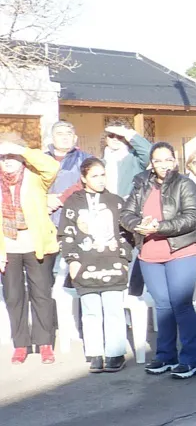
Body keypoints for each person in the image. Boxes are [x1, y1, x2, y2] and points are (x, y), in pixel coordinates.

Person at [121, 143, 196, 379]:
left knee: (181, 304)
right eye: (158, 161)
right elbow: (126, 214)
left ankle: (191, 360)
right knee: (163, 306)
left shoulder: (184, 184)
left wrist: (159, 227)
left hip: (181, 250)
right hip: (149, 254)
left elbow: (192, 217)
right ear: (151, 163)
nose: (163, 165)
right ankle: (166, 356)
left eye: (168, 159)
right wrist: (137, 225)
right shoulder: (141, 183)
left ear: (175, 161)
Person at [58, 157, 131, 372]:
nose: (100, 180)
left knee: (113, 310)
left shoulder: (116, 202)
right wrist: (72, 260)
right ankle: (95, 352)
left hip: (112, 263)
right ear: (83, 178)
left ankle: (115, 353)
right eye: (94, 176)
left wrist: (124, 259)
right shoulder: (73, 203)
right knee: (90, 311)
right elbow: (66, 234)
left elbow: (126, 233)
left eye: (103, 175)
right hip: (85, 264)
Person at [1, 133, 61, 364]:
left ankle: (44, 343)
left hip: (37, 245)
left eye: (12, 156)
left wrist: (21, 150)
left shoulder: (35, 176)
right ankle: (20, 345)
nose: (7, 161)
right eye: (3, 157)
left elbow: (51, 166)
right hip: (8, 247)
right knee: (13, 296)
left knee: (41, 294)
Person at [45, 121, 91, 227]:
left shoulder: (87, 160)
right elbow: (30, 186)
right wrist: (44, 199)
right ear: (52, 138)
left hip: (76, 220)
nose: (64, 138)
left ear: (75, 138)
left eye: (68, 134)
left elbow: (90, 184)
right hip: (46, 219)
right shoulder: (40, 160)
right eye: (59, 134)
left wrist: (61, 199)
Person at [102, 125, 151, 198]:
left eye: (120, 136)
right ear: (106, 139)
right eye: (111, 135)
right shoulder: (100, 162)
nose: (115, 139)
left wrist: (129, 134)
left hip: (129, 203)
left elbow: (149, 152)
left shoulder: (135, 159)